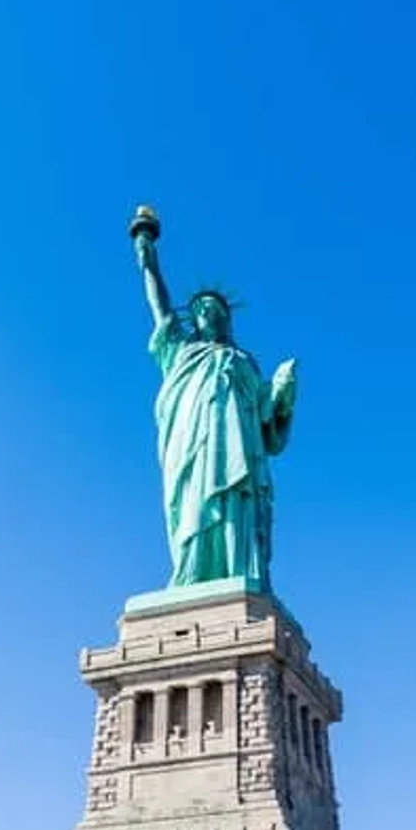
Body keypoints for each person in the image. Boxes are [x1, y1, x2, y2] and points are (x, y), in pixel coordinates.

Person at [133, 228, 297, 591]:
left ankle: (238, 572)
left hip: (238, 447)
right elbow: (160, 310)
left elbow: (269, 426)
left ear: (227, 319)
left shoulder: (245, 364)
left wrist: (282, 393)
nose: (210, 314)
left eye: (217, 310)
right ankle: (192, 573)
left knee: (236, 497)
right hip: (190, 442)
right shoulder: (181, 352)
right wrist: (149, 265)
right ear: (194, 320)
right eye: (202, 310)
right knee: (192, 501)